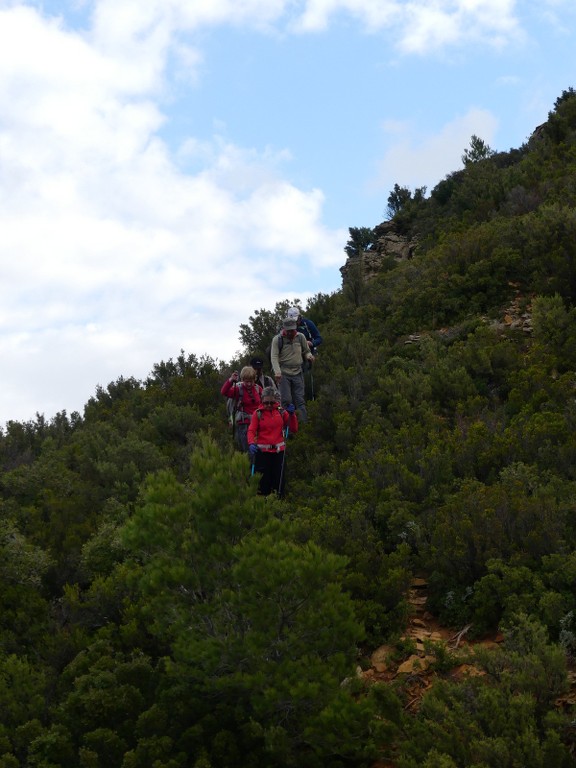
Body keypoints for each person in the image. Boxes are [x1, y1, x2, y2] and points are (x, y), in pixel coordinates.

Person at [248, 386, 298, 497]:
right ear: (262, 401)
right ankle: (263, 507)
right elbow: (251, 430)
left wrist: (292, 415)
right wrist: (251, 443)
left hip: (278, 454)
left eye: (271, 402)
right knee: (263, 484)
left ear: (275, 401)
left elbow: (293, 428)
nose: (269, 405)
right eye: (266, 403)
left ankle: (279, 507)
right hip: (263, 454)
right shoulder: (258, 414)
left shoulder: (281, 413)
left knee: (279, 483)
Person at [270, 317, 314, 422]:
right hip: (284, 373)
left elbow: (306, 351)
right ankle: (286, 425)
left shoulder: (300, 337)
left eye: (292, 330)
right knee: (286, 400)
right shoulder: (278, 339)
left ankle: (303, 425)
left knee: (300, 401)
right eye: (288, 330)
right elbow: (274, 356)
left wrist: (309, 356)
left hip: (298, 372)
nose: (291, 332)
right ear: (284, 329)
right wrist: (277, 372)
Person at [220, 366, 262, 452]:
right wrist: (231, 380)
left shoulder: (258, 389)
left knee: (259, 450)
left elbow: (265, 401)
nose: (249, 384)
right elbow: (224, 392)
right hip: (244, 425)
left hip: (258, 424)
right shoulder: (239, 389)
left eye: (251, 381)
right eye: (247, 381)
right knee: (248, 451)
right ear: (242, 379)